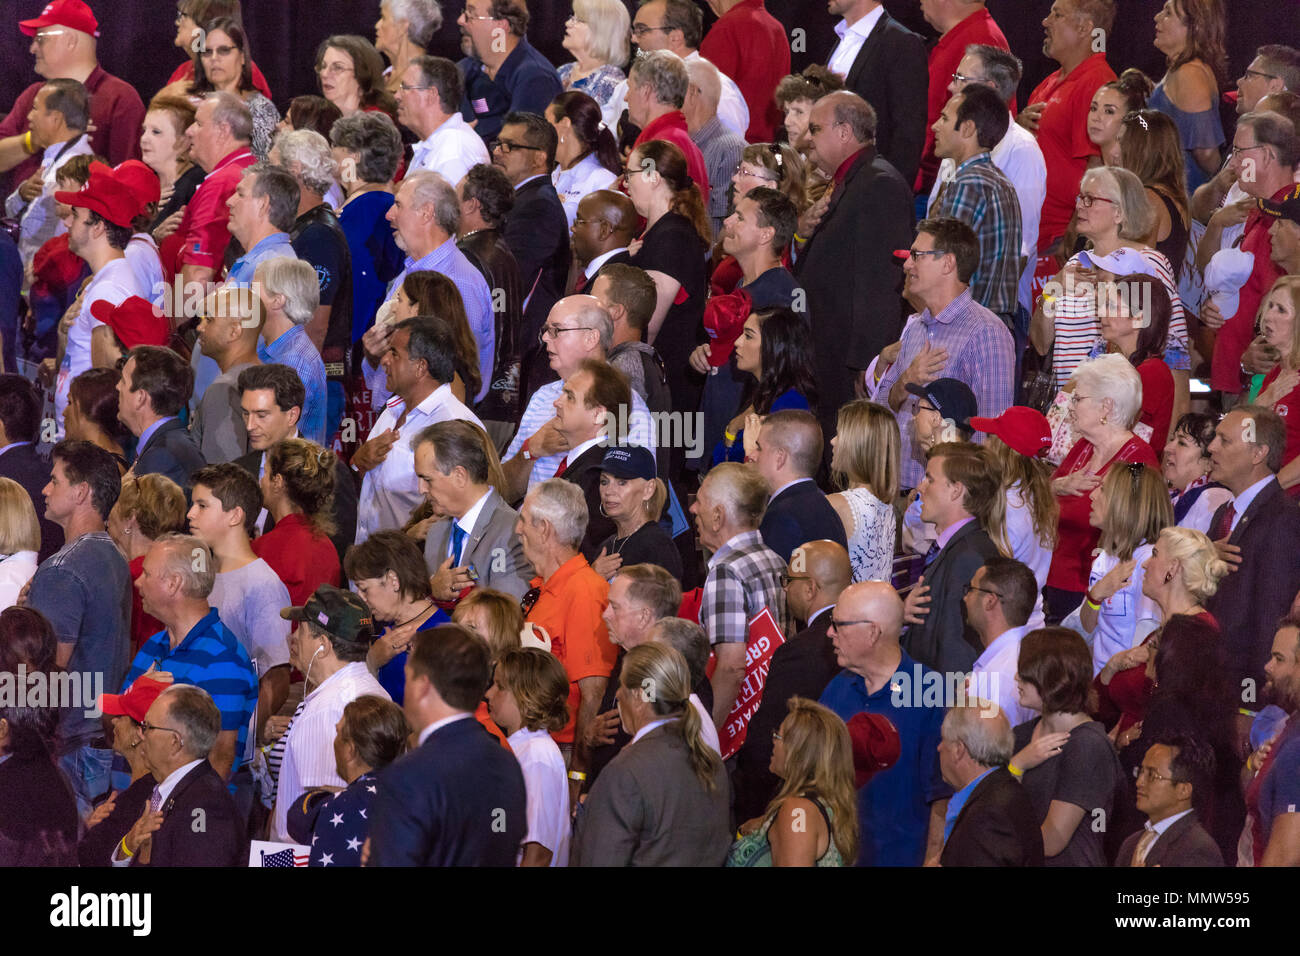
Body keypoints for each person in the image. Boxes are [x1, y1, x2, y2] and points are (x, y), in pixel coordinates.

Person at [795, 91, 915, 442]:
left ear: (845, 132)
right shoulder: (855, 180)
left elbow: (881, 282)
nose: (806, 139)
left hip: (847, 362)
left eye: (815, 129)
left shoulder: (880, 185)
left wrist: (869, 361)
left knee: (845, 456)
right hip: (826, 353)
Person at [367, 623, 527, 866]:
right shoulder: (506, 765)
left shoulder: (407, 777)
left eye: (408, 678)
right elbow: (499, 834)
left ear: (422, 686)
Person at [29, 440, 130, 815]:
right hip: (101, 737)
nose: (45, 489)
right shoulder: (115, 555)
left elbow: (46, 670)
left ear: (82, 491)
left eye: (54, 481)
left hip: (69, 745)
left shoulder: (61, 569)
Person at [876, 218, 1015, 488]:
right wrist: (905, 380)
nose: (907, 264)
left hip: (946, 500)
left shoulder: (987, 333)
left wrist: (959, 499)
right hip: (897, 491)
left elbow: (991, 434)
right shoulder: (917, 327)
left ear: (948, 263)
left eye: (917, 255)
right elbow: (881, 410)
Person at [818, 580, 949, 865]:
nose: (829, 633)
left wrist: (933, 859)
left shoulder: (929, 694)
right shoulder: (835, 690)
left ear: (872, 632)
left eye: (839, 624)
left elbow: (943, 794)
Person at [1032, 169, 1190, 402]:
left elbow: (1174, 351)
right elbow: (1041, 344)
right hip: (1069, 410)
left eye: (1091, 199)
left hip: (1121, 411)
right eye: (1080, 198)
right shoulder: (1076, 263)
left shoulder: (1147, 264)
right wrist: (1053, 289)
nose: (1079, 206)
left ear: (1119, 212)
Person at [572, 641, 729, 865]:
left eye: (622, 686)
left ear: (639, 696)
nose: (617, 694)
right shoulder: (711, 761)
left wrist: (591, 812)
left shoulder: (625, 773)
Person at [119, 534, 258, 784]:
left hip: (172, 817)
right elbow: (115, 726)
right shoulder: (154, 645)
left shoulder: (223, 661)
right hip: (132, 803)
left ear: (173, 583)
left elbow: (218, 762)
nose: (138, 582)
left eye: (147, 574)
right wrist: (134, 701)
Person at [186, 464, 291, 780]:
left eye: (203, 506)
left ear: (235, 516)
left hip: (227, 758)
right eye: (193, 504)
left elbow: (276, 675)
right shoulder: (203, 573)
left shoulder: (262, 584)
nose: (190, 514)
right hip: (192, 744)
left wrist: (241, 742)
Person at [734, 541, 849, 820]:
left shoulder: (798, 653)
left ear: (810, 589)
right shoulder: (861, 635)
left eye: (789, 580)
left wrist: (750, 811)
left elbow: (766, 745)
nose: (784, 588)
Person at [1114, 614, 1243, 863]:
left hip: (1161, 836)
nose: (1147, 653)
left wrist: (1119, 749)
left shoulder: (1168, 710)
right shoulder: (1206, 706)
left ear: (1171, 658)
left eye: (1153, 647)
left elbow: (1146, 781)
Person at [515, 479, 614, 798]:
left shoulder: (584, 591)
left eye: (523, 520)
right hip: (538, 747)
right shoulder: (546, 587)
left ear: (544, 529)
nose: (518, 530)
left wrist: (578, 774)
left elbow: (594, 691)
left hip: (560, 755)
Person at [500, 296, 655, 499]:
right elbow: (501, 490)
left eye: (556, 330)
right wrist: (530, 450)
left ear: (591, 338)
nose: (545, 338)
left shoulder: (629, 409)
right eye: (545, 330)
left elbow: (635, 504)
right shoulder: (544, 397)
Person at [270, 584, 391, 843]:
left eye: (301, 630)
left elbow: (323, 809)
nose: (293, 638)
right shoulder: (374, 693)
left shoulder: (330, 710)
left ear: (322, 646)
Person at [1046, 354, 1159, 623]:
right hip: (1055, 579)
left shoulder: (1137, 461)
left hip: (1092, 594)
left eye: (1078, 399)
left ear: (1106, 406)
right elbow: (1045, 498)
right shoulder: (1085, 446)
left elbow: (1134, 529)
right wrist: (1057, 486)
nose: (1070, 407)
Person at [365, 171, 494, 407]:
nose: (389, 214)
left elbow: (459, 374)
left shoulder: (460, 283)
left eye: (398, 205)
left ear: (426, 212)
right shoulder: (408, 272)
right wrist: (374, 356)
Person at [354, 317, 483, 543]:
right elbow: (367, 478)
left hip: (411, 569)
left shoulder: (454, 426)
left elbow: (459, 517)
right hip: (370, 564)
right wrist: (359, 460)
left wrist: (407, 542)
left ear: (421, 367)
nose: (384, 360)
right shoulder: (391, 411)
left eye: (394, 353)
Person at [1204, 406, 1300, 697]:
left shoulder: (1283, 517)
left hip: (1242, 692)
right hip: (1214, 683)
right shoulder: (1224, 512)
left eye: (1224, 440)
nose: (1211, 447)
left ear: (1258, 453)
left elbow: (1271, 618)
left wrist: (1251, 701)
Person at [1009, 626, 1125, 867]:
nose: (1016, 678)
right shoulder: (1021, 736)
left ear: (1053, 679)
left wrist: (995, 840)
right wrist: (1016, 765)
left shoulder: (1088, 746)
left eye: (1025, 672)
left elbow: (1053, 840)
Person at [1204, 111, 1299, 398]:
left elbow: (1289, 303)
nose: (1232, 163)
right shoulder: (1259, 209)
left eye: (1238, 152)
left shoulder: (1290, 217)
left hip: (1261, 385)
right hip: (1241, 376)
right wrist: (1216, 305)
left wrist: (1260, 356)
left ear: (1268, 155)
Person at [50, 161, 150, 431]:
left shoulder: (110, 289)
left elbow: (110, 386)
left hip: (86, 437)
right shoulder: (104, 282)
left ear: (97, 228)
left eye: (76, 214)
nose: (67, 222)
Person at [692, 462, 792, 727]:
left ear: (717, 516)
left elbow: (731, 668)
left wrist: (706, 736)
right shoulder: (777, 560)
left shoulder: (726, 571)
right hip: (772, 713)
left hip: (736, 725)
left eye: (699, 501)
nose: (692, 508)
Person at [0, 0, 144, 184]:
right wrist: (34, 139)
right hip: (19, 210)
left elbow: (128, 179)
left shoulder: (119, 98)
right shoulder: (33, 94)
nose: (32, 48)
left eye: (41, 39)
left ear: (70, 41)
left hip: (79, 211)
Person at [109, 685, 246, 867]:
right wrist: (128, 847)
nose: (142, 735)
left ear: (174, 742)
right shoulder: (159, 790)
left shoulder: (207, 806)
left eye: (147, 727)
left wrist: (144, 861)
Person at [1019, 0, 1117, 252]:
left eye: (1057, 14)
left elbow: (1099, 166)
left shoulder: (1098, 82)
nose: (1045, 21)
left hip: (1060, 239)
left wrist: (1075, 236)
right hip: (1034, 234)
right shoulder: (1053, 80)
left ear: (1085, 28)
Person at [235, 363, 358, 559]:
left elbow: (337, 552)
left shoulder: (327, 471)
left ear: (292, 415)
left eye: (261, 415)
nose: (250, 426)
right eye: (245, 413)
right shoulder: (239, 469)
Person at [273, 131, 354, 427]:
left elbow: (315, 326)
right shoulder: (306, 228)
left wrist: (290, 393)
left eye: (274, 168)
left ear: (293, 172)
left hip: (310, 385)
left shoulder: (319, 235)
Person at [903, 442, 1001, 674]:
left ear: (956, 490)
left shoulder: (969, 558)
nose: (921, 487)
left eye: (930, 479)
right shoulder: (957, 547)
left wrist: (941, 708)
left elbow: (957, 654)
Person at [588, 566, 691, 784]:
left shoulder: (673, 675)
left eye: (615, 607)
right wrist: (591, 734)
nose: (605, 614)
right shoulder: (626, 658)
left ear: (644, 616)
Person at [929, 85, 1023, 324]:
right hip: (992, 324)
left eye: (944, 118)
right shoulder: (998, 180)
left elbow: (942, 265)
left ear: (968, 128)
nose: (934, 126)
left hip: (966, 326)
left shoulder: (969, 183)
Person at [729, 697, 856, 867]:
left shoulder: (797, 810)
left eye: (778, 736)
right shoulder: (819, 806)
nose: (773, 741)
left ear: (799, 752)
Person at [285, 694, 410, 867]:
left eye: (337, 733)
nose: (334, 741)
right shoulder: (418, 798)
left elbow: (297, 820)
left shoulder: (340, 808)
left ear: (350, 750)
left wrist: (340, 798)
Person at [416, 419, 533, 603]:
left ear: (459, 476)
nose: (421, 489)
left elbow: (504, 620)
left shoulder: (514, 533)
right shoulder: (435, 534)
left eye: (427, 479)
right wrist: (432, 589)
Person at [492, 112, 571, 376]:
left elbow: (508, 280)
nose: (498, 152)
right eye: (498, 144)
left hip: (522, 351)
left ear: (539, 157)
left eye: (510, 146)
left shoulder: (538, 207)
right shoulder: (525, 199)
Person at [1078, 463, 1171, 675]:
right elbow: (1087, 627)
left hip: (1120, 684)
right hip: (1099, 678)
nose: (1092, 495)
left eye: (1102, 489)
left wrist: (1110, 681)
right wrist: (1095, 596)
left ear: (1126, 503)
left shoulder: (1149, 560)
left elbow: (1144, 648)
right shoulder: (1106, 555)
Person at [823, 0, 927, 185]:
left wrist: (891, 193)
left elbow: (908, 133)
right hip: (833, 186)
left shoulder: (901, 43)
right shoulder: (842, 39)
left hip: (871, 187)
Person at [612, 0, 748, 140]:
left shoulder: (715, 89)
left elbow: (728, 152)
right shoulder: (635, 82)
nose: (634, 39)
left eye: (642, 30)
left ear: (675, 38)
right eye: (634, 30)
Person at [485, 647, 571, 866]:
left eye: (500, 687)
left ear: (526, 696)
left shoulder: (537, 756)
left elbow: (537, 854)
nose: (488, 694)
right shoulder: (519, 748)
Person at [455, 163, 526, 430]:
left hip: (475, 406)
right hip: (502, 399)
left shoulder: (466, 257)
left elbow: (473, 337)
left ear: (471, 205)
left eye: (455, 193)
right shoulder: (502, 250)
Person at [77, 672, 172, 868]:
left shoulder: (136, 804)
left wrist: (88, 834)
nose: (113, 721)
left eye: (121, 716)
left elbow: (89, 858)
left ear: (138, 735)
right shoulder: (153, 789)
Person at [973, 406, 1057, 627]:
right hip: (1030, 620)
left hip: (1006, 625)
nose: (983, 444)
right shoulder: (1036, 496)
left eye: (990, 438)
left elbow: (989, 576)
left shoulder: (1008, 507)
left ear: (1004, 450)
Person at [160, 92, 255, 287]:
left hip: (198, 310)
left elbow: (198, 275)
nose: (189, 131)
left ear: (223, 130)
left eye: (198, 123)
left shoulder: (222, 182)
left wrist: (171, 317)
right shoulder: (245, 166)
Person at [915, 0, 1010, 193]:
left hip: (946, 187)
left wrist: (945, 189)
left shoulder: (983, 40)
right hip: (933, 186)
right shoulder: (961, 37)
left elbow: (982, 130)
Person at [348, 530, 449, 705]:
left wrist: (371, 662)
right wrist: (371, 660)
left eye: (364, 589)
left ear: (393, 580)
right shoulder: (387, 631)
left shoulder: (443, 636)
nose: (361, 598)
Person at [938, 702, 1045, 867]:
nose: (939, 748)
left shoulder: (988, 815)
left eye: (944, 740)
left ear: (958, 750)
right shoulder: (1002, 792)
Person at [329, 112, 404, 345]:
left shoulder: (369, 209)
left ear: (354, 157)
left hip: (355, 346)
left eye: (335, 146)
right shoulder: (371, 204)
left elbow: (361, 288)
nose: (330, 153)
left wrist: (350, 348)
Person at [4, 78, 93, 269]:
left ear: (56, 119)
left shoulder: (73, 172)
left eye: (35, 108)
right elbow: (14, 213)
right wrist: (22, 194)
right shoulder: (56, 160)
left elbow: (66, 245)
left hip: (44, 286)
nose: (29, 116)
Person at [549, 360, 634, 558]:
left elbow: (592, 553)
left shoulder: (601, 476)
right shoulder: (592, 464)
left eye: (569, 396)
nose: (557, 402)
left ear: (598, 414)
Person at [714, 307, 818, 466]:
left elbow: (769, 478)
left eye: (748, 336)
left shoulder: (791, 404)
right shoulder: (759, 392)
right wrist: (732, 429)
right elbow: (724, 467)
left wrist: (733, 432)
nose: (737, 342)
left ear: (774, 345)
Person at [1089, 272, 1177, 453]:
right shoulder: (1129, 365)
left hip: (1130, 473)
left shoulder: (1153, 371)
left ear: (1139, 317)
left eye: (1112, 306)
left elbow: (1117, 433)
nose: (1101, 313)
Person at [455, 0, 562, 145]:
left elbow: (517, 152)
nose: (460, 21)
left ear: (501, 25)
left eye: (471, 15)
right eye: (464, 13)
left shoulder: (535, 79)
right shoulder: (465, 70)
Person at [172, 18, 279, 161]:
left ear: (242, 57)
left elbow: (265, 170)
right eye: (207, 52)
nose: (214, 58)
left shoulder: (261, 110)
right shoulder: (187, 104)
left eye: (224, 50)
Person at [253, 438, 343, 607]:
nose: (261, 481)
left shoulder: (265, 549)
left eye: (264, 473)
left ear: (277, 482)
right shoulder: (327, 546)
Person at [1149, 0, 1227, 192]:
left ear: (1195, 26)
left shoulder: (1190, 74)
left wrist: (1215, 197)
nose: (1157, 17)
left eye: (1168, 13)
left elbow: (1207, 153)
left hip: (1183, 200)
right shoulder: (1183, 70)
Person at [1243, 617, 1300, 866]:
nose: (1268, 666)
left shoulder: (1297, 748)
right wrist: (1251, 766)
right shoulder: (1290, 726)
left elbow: (1285, 858)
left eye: (1279, 659)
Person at [1117, 734, 1223, 866]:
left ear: (1183, 790)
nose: (1139, 782)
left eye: (1152, 775)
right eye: (1140, 771)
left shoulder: (1198, 849)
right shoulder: (1131, 844)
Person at [108, 473, 187, 653]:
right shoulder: (177, 569)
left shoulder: (133, 577)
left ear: (131, 519)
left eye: (116, 505)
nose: (110, 512)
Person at [753, 410, 847, 561]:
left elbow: (778, 582)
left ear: (780, 458)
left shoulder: (782, 517)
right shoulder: (823, 502)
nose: (753, 455)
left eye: (759, 448)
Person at [254, 258, 328, 445]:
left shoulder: (294, 362)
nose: (248, 297)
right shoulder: (271, 347)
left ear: (277, 301)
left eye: (254, 290)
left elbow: (276, 436)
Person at [826, 401, 898, 583]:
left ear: (859, 445)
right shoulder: (887, 507)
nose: (832, 441)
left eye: (840, 435)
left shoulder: (838, 505)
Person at [964, 557, 1040, 729]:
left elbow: (984, 752)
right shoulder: (1026, 652)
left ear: (990, 601)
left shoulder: (997, 680)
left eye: (970, 589)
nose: (965, 598)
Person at [1118, 108, 1190, 282]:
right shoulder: (1172, 195)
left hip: (1141, 305)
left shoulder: (1149, 199)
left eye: (1120, 142)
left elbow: (1134, 273)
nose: (1114, 151)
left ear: (1138, 150)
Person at [116, 346, 205, 488]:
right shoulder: (167, 444)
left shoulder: (162, 457)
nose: (117, 387)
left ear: (140, 397)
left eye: (123, 382)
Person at [390, 272, 483, 406]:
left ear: (416, 310)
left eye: (399, 300)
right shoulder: (434, 365)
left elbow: (441, 425)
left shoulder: (444, 377)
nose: (393, 308)